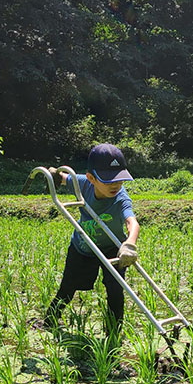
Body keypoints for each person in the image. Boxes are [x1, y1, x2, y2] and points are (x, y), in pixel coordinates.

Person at [44, 143, 139, 337]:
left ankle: (113, 335)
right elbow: (63, 178)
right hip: (83, 247)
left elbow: (132, 222)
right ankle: (49, 320)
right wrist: (53, 174)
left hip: (114, 249)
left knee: (115, 291)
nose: (115, 186)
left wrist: (129, 244)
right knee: (68, 288)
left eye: (119, 180)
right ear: (91, 178)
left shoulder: (121, 198)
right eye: (109, 181)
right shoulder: (83, 183)